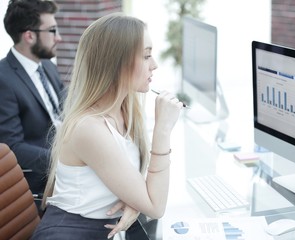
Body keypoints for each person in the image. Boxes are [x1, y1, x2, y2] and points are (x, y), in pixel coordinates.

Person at [31, 13, 182, 239]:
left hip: (104, 230)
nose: (154, 65)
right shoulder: (89, 128)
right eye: (146, 56)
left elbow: (143, 189)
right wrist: (163, 130)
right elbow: (156, 206)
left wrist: (137, 201)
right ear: (116, 63)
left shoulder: (125, 108)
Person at [0, 0, 65, 198]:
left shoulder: (48, 66)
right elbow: (12, 146)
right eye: (52, 30)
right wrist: (64, 161)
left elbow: (65, 111)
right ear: (29, 36)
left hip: (68, 164)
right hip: (41, 183)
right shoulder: (3, 79)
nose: (59, 38)